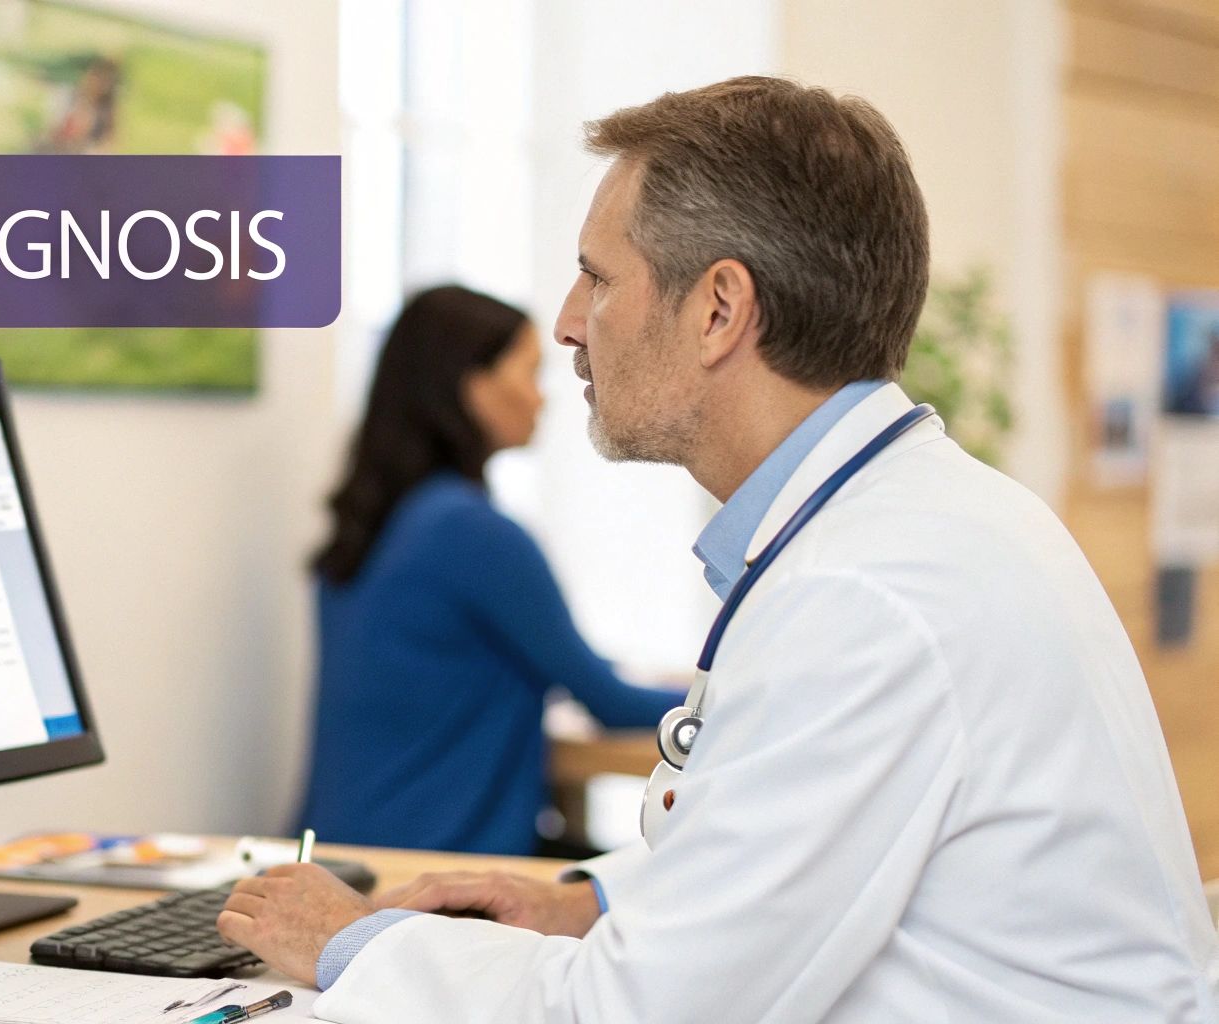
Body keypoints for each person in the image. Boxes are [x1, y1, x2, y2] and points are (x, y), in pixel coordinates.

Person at [219, 77, 1219, 1020]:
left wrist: (357, 944)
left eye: (595, 278)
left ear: (717, 308)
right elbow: (779, 851)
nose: (570, 325)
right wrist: (588, 900)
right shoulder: (919, 523)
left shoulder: (866, 591)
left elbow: (635, 1011)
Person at [299, 284, 683, 856]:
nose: (541, 399)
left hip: (340, 850)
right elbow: (609, 704)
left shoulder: (380, 521)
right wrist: (728, 701)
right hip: (436, 861)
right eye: (529, 374)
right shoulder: (470, 532)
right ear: (473, 386)